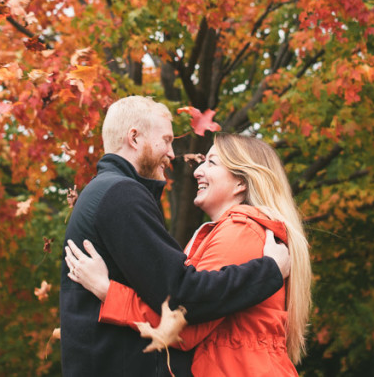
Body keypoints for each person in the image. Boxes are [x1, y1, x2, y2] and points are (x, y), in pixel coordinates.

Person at [59, 97, 291, 377]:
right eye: (166, 140)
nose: (172, 153)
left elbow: (181, 309)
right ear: (134, 138)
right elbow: (183, 298)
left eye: (211, 163)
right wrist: (269, 271)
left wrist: (109, 291)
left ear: (241, 181)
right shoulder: (121, 194)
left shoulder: (241, 228)